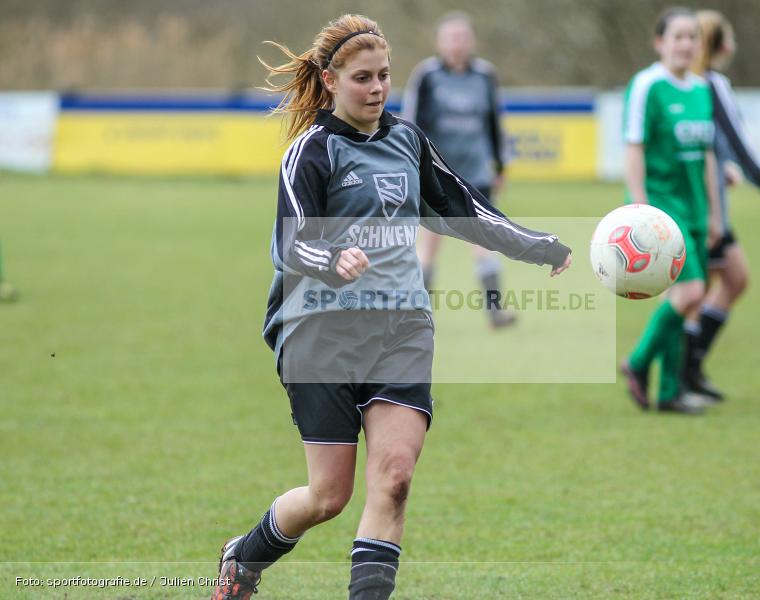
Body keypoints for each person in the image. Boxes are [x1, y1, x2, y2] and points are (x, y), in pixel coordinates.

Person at [208, 14, 572, 600]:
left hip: (402, 328)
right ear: (330, 80)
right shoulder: (311, 151)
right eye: (362, 78)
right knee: (329, 497)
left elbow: (465, 207)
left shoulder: (407, 139)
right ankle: (243, 556)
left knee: (395, 480)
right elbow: (289, 241)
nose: (377, 88)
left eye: (384, 76)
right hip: (320, 334)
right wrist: (331, 259)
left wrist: (536, 246)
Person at [683, 10, 760, 401]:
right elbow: (739, 141)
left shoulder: (692, 85)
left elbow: (715, 143)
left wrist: (725, 169)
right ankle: (667, 365)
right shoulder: (711, 85)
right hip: (705, 209)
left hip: (705, 203)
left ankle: (688, 367)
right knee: (703, 290)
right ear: (724, 45)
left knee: (725, 281)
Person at [619, 7, 721, 415]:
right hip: (663, 210)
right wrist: (638, 206)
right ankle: (638, 362)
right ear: (659, 42)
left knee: (688, 298)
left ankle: (669, 392)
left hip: (696, 209)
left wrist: (714, 214)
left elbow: (708, 155)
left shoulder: (701, 89)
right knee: (692, 291)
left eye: (692, 37)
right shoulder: (647, 86)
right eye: (677, 36)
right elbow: (633, 146)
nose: (686, 44)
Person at [402, 12, 515, 328]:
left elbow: (494, 121)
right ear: (440, 41)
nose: (458, 43)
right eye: (452, 37)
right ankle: (419, 313)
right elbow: (412, 125)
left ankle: (496, 312)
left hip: (476, 174)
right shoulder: (426, 76)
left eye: (463, 36)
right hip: (436, 175)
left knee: (483, 241)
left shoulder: (485, 76)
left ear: (472, 41)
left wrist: (500, 164)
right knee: (429, 244)